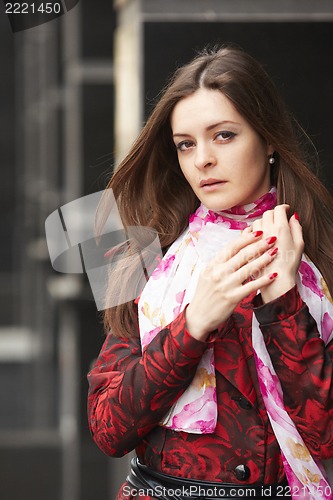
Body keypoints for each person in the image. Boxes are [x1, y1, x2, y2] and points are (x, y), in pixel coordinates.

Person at [87, 46, 333, 500]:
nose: (201, 160)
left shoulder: (317, 259)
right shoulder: (142, 258)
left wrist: (284, 305)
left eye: (223, 135)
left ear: (268, 138)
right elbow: (107, 429)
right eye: (185, 143)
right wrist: (193, 323)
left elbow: (326, 436)